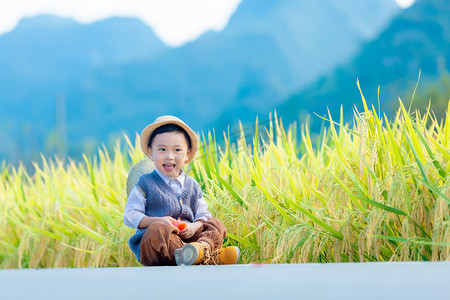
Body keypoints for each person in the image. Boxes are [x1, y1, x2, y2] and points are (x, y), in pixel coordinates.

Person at [123, 115, 240, 266]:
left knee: (215, 223)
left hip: (190, 239)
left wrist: (194, 226)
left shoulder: (192, 185)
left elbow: (202, 214)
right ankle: (207, 257)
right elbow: (130, 215)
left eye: (177, 150)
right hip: (158, 246)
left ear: (188, 154)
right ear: (151, 153)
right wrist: (158, 220)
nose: (170, 156)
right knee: (157, 230)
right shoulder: (145, 183)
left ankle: (199, 251)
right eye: (162, 149)